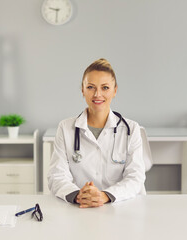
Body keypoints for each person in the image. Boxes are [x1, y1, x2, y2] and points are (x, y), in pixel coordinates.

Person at [48, 58, 146, 208]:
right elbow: (57, 176)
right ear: (82, 90)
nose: (97, 94)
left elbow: (135, 178)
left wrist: (105, 196)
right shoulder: (65, 128)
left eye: (105, 88)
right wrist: (78, 195)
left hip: (120, 209)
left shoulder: (131, 129)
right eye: (91, 87)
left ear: (115, 90)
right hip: (79, 208)